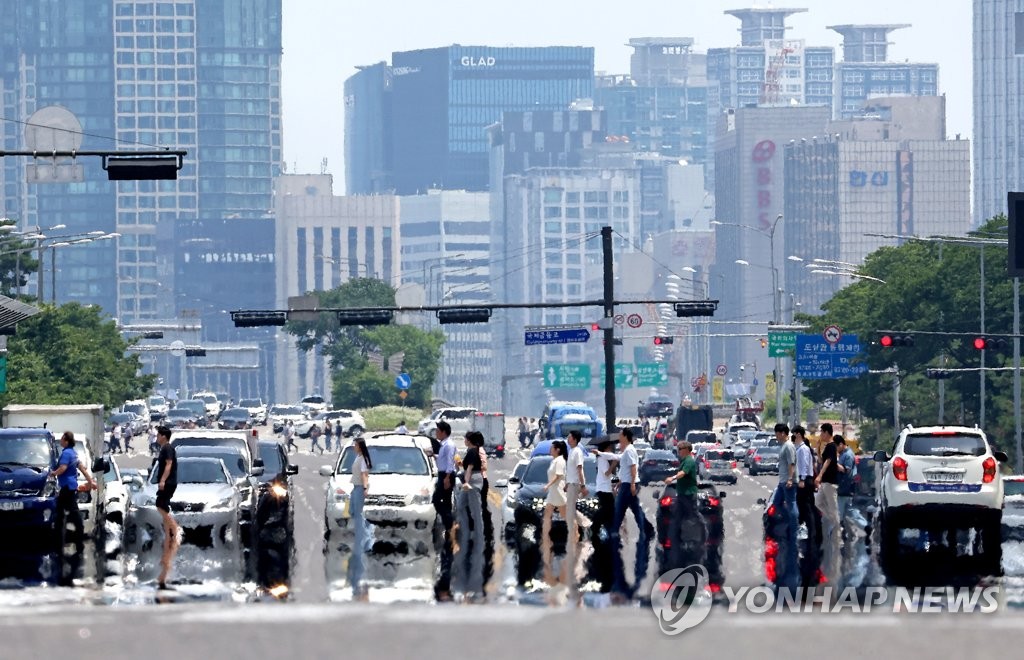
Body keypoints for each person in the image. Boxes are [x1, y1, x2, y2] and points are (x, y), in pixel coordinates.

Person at [50, 431, 97, 586]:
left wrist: (53, 474)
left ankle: (65, 543)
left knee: (63, 515)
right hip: (71, 487)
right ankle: (68, 541)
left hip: (66, 488)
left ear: (66, 440)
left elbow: (63, 468)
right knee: (64, 515)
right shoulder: (74, 453)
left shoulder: (65, 454)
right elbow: (83, 468)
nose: (61, 441)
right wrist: (91, 481)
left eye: (62, 439)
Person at [609, 427, 646, 602]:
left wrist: (631, 484)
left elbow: (633, 468)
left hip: (630, 485)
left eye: (621, 436)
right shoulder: (625, 451)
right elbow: (625, 469)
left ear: (626, 437)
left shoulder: (630, 451)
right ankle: (643, 528)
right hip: (625, 484)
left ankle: (614, 531)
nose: (619, 438)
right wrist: (621, 483)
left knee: (620, 509)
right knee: (633, 508)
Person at [663, 440, 706, 568]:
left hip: (688, 494)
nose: (679, 452)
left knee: (694, 514)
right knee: (678, 517)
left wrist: (672, 478)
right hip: (682, 493)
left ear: (686, 450)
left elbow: (683, 473)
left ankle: (703, 533)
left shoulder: (689, 461)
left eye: (680, 450)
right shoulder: (684, 461)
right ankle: (675, 538)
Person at [454, 432, 485, 601]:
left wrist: (465, 482)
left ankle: (479, 534)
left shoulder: (473, 451)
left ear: (470, 440)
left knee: (474, 510)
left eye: (465, 438)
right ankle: (464, 528)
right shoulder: (471, 451)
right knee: (460, 505)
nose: (464, 440)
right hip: (470, 479)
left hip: (473, 480)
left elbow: (470, 469)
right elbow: (465, 466)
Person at [589, 436, 618, 595]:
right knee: (607, 511)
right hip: (603, 489)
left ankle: (607, 530)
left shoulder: (602, 458)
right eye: (610, 448)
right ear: (606, 448)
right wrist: (612, 464)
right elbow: (607, 473)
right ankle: (597, 528)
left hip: (605, 488)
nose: (612, 450)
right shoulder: (601, 459)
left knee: (609, 512)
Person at [432, 421, 456, 601]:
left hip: (445, 475)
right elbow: (442, 459)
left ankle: (449, 522)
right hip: (443, 474)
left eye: (437, 431)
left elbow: (448, 463)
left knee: (437, 500)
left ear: (443, 431)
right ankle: (449, 523)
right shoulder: (444, 445)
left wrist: (447, 477)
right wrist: (433, 454)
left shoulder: (449, 445)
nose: (436, 434)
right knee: (445, 502)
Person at [814, 423, 841, 584]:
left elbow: (827, 462)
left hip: (829, 482)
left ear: (827, 433)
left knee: (833, 507)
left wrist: (819, 475)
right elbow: (820, 460)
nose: (821, 435)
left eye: (822, 433)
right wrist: (817, 449)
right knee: (817, 503)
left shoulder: (831, 446)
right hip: (824, 482)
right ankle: (832, 520)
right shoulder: (826, 447)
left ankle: (838, 532)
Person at [154, 425, 179, 590]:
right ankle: (167, 547)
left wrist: (163, 480)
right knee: (163, 512)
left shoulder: (168, 448)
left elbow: (169, 465)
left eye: (158, 434)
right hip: (167, 482)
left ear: (164, 436)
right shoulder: (165, 448)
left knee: (160, 505)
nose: (156, 437)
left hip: (168, 483)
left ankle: (176, 529)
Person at [775, 423, 799, 593]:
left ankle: (794, 527)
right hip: (782, 481)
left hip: (787, 481)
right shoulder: (784, 445)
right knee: (777, 504)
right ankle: (785, 522)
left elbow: (792, 463)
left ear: (783, 433)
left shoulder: (789, 446)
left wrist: (790, 479)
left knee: (791, 505)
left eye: (777, 433)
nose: (776, 436)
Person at [564, 430, 588, 599]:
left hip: (575, 484)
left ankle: (583, 527)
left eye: (570, 436)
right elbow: (571, 470)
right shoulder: (571, 451)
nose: (567, 438)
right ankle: (584, 525)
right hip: (570, 483)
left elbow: (579, 470)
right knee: (569, 510)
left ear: (575, 439)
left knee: (570, 511)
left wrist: (583, 485)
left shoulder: (578, 451)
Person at [541, 439, 568, 587]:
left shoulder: (560, 461)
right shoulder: (555, 460)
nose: (550, 449)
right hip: (553, 493)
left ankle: (575, 535)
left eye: (552, 448)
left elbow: (558, 477)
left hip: (557, 491)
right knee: (547, 515)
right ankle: (546, 538)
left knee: (565, 515)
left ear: (557, 449)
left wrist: (547, 485)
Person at [349, 437, 373, 596]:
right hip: (355, 488)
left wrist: (365, 488)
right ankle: (367, 535)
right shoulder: (358, 457)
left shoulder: (363, 458)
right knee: (353, 512)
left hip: (359, 489)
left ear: (359, 446)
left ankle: (365, 540)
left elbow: (365, 474)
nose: (353, 447)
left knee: (358, 515)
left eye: (355, 445)